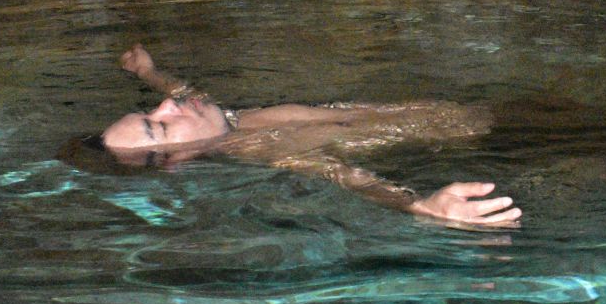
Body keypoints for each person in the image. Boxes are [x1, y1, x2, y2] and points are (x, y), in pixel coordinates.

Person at [96, 45, 522, 228]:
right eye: (160, 125)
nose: (168, 105)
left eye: (152, 108)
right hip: (499, 134)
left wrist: (145, 71)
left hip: (485, 111)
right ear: (177, 158)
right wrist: (419, 206)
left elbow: (179, 92)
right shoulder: (269, 151)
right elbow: (347, 177)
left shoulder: (228, 119)